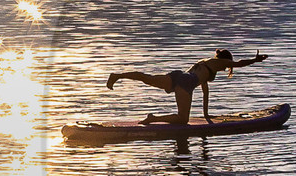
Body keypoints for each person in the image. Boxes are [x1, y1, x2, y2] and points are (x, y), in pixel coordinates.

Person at [107, 49, 269, 124]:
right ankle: (153, 118)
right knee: (183, 120)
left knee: (147, 78)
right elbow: (239, 63)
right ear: (225, 60)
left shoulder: (206, 65)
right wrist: (255, 60)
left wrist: (206, 116)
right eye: (227, 66)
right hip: (186, 83)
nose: (226, 68)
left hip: (178, 76)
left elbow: (205, 92)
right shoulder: (219, 62)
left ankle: (118, 76)